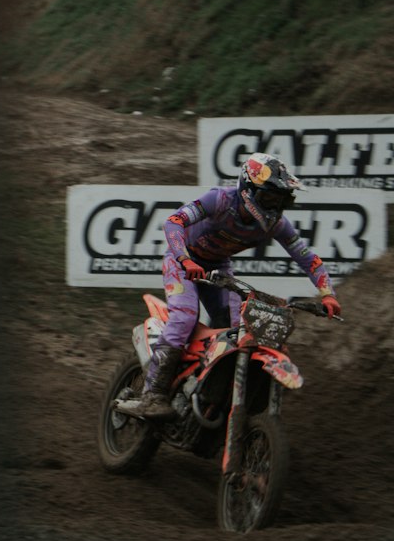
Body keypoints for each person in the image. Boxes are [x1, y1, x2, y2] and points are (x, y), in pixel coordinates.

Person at [131, 153, 342, 419]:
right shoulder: (219, 200)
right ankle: (153, 394)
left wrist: (328, 294)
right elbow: (174, 222)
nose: (274, 206)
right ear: (248, 190)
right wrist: (184, 258)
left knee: (234, 331)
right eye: (269, 198)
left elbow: (308, 258)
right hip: (182, 260)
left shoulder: (277, 224)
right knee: (184, 317)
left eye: (280, 200)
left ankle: (208, 393)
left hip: (218, 266)